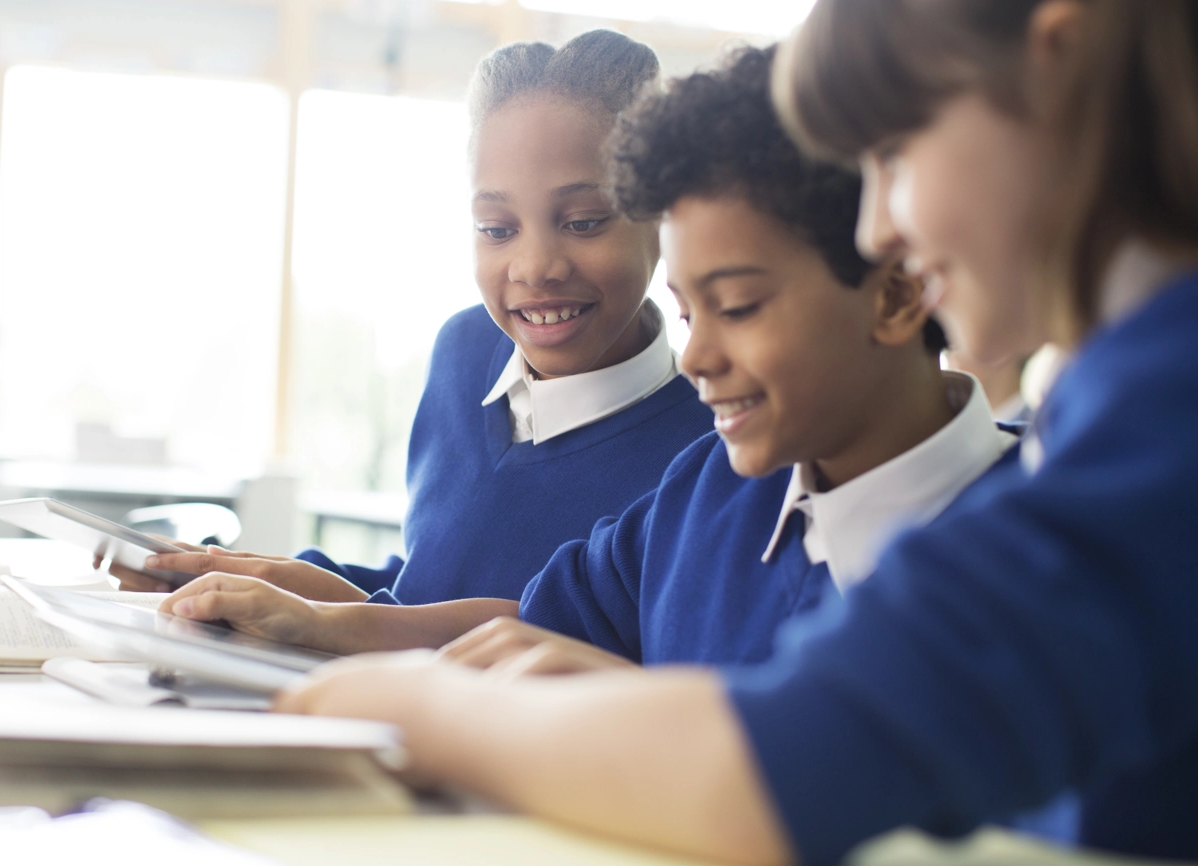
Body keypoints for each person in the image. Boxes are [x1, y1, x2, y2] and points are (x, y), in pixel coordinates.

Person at [259, 2, 1198, 864]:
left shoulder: (1159, 406)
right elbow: (544, 625)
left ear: (1059, 62)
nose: (883, 223)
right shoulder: (715, 491)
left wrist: (429, 712)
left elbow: (796, 761)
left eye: (897, 152)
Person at [159, 47, 1020, 673]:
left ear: (901, 293)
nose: (700, 358)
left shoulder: (1034, 540)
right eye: (689, 311)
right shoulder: (706, 489)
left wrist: (638, 708)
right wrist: (295, 613)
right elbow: (513, 622)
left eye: (741, 307)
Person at [114, 30, 714, 610]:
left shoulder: (706, 455)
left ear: (661, 215)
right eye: (496, 230)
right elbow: (427, 586)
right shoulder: (466, 352)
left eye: (583, 220)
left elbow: (564, 648)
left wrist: (331, 620)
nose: (535, 266)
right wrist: (242, 578)